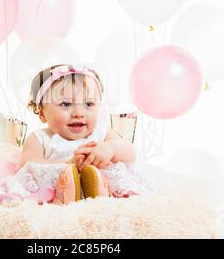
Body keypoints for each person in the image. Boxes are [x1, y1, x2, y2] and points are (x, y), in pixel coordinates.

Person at [14, 64, 153, 205]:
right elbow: (28, 166)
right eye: (66, 104)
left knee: (102, 175)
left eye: (89, 104)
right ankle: (64, 195)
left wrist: (110, 148)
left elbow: (130, 153)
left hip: (102, 180)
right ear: (42, 113)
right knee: (62, 177)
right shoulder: (39, 138)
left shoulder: (101, 132)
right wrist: (68, 164)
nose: (78, 113)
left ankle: (101, 191)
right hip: (59, 185)